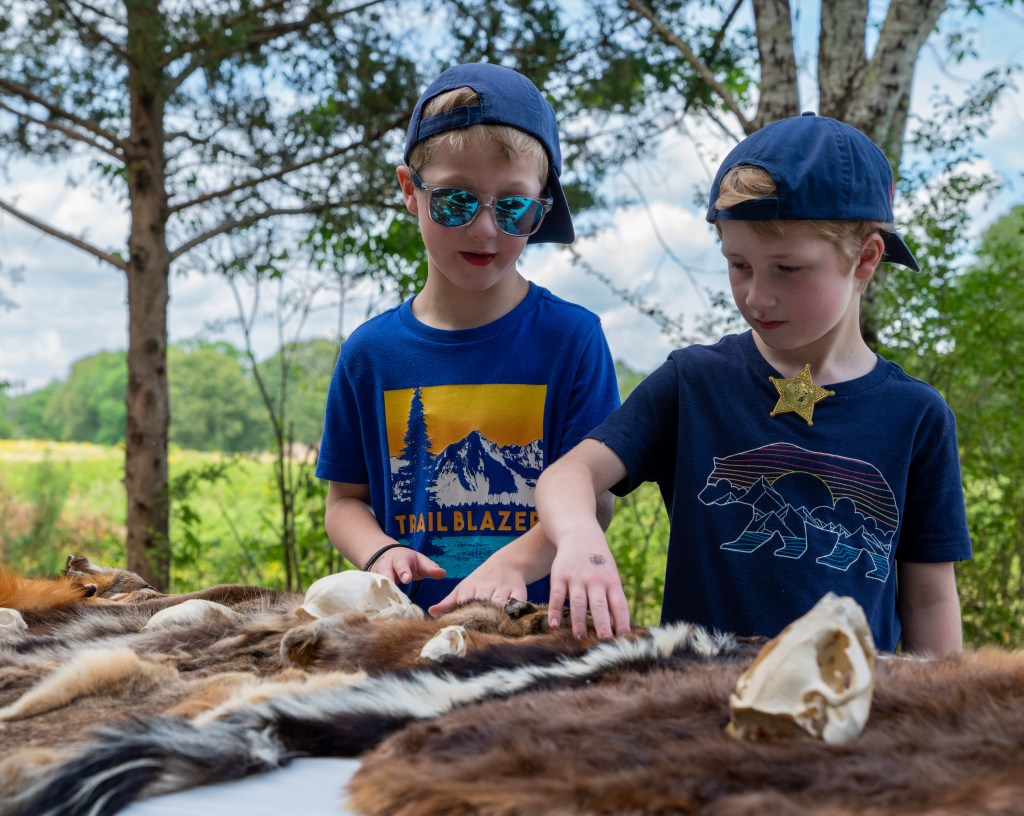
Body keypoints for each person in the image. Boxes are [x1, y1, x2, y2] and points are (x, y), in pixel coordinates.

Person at [536, 113, 972, 655]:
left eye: (786, 269)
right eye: (738, 264)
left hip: (848, 716)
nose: (756, 296)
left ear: (865, 259)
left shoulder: (917, 416)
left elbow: (929, 600)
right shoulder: (693, 382)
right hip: (701, 709)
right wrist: (581, 538)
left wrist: (942, 713)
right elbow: (569, 474)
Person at [316, 63, 620, 615]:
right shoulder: (369, 354)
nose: (484, 229)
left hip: (533, 634)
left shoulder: (573, 339)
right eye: (455, 201)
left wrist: (512, 568)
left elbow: (594, 504)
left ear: (540, 208)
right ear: (411, 191)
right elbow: (344, 502)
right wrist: (379, 550)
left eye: (512, 207)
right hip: (405, 632)